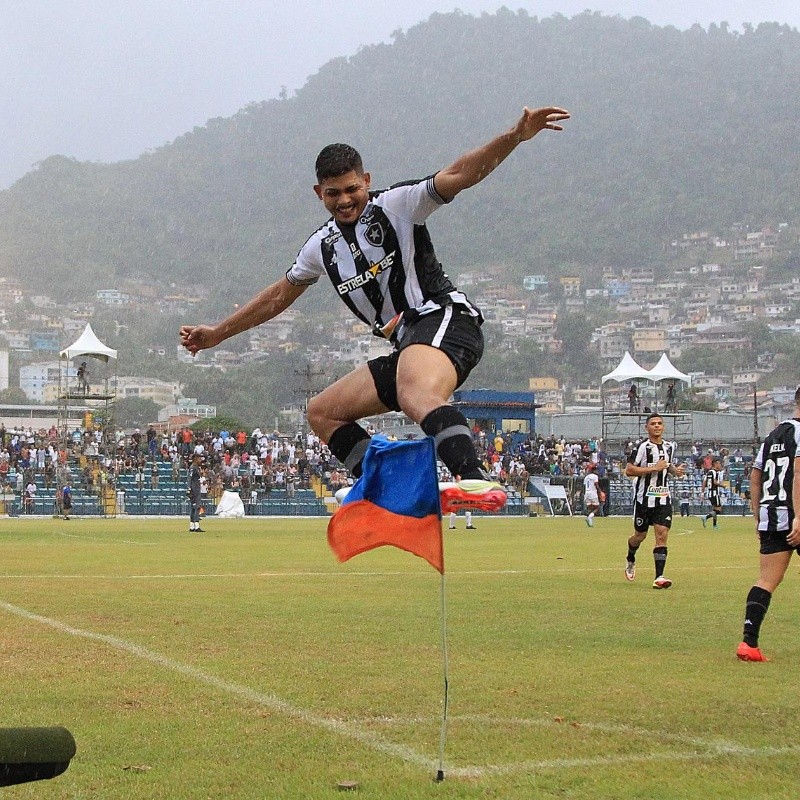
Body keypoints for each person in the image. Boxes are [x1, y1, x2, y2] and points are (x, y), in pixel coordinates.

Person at [180, 106, 570, 510]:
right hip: (408, 346)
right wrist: (218, 333)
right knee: (323, 412)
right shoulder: (322, 246)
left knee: (414, 390)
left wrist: (514, 136)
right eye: (333, 193)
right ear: (319, 193)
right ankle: (393, 485)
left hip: (445, 319)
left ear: (366, 180)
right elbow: (278, 296)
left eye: (352, 189)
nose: (345, 200)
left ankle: (473, 478)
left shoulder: (398, 205)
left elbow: (458, 174)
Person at [736, 387, 800, 662]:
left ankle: (748, 643)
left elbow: (755, 475)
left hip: (772, 514)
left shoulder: (772, 435)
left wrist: (757, 515)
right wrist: (799, 515)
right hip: (794, 514)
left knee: (767, 580)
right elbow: (798, 473)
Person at [623, 413, 686, 588]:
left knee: (662, 535)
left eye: (659, 423)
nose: (657, 426)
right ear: (647, 428)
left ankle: (659, 577)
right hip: (644, 500)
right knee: (639, 536)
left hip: (663, 498)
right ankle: (630, 557)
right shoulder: (642, 447)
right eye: (653, 424)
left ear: (663, 426)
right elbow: (629, 470)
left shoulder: (669, 446)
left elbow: (667, 465)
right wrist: (653, 468)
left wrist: (675, 471)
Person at [701, 457, 725, 529]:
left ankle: (714, 525)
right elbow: (714, 482)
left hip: (709, 493)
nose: (720, 465)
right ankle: (706, 517)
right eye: (718, 463)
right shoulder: (715, 472)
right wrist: (722, 485)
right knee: (718, 510)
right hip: (715, 493)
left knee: (715, 509)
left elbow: (704, 483)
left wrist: (702, 493)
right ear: (715, 464)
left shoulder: (708, 472)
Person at [188, 452, 204, 533]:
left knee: (195, 507)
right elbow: (189, 478)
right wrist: (189, 489)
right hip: (194, 490)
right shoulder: (193, 467)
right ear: (195, 459)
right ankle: (196, 526)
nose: (200, 460)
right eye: (199, 458)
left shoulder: (197, 467)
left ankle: (192, 526)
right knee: (196, 507)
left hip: (196, 489)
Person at [583, 462, 601, 527]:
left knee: (590, 508)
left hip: (587, 492)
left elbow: (584, 486)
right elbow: (596, 485)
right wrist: (600, 492)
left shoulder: (586, 477)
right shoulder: (595, 476)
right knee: (597, 508)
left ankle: (590, 522)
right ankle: (589, 517)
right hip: (593, 493)